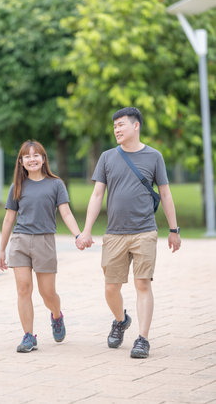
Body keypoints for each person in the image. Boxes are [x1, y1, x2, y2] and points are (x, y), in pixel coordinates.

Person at [76, 107, 181, 359]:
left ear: (136, 126)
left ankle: (142, 339)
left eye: (121, 125)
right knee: (111, 287)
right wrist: (86, 231)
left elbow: (165, 194)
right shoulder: (107, 157)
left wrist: (174, 229)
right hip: (114, 233)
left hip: (145, 231)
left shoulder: (154, 156)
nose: (117, 130)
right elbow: (97, 194)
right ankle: (121, 320)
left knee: (142, 283)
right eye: (114, 126)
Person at [0, 140, 81, 353]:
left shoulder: (55, 184)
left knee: (47, 293)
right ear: (21, 161)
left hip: (45, 241)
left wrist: (78, 235)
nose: (32, 159)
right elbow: (9, 219)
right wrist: (1, 249)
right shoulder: (16, 186)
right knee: (23, 289)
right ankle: (29, 336)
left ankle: (56, 315)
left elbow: (66, 213)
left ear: (44, 159)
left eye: (36, 155)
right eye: (27, 156)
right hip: (20, 241)